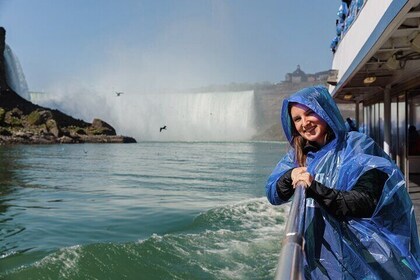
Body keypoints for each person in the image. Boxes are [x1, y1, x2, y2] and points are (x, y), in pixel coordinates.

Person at [266, 85, 420, 279]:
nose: (304, 123)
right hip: (319, 259)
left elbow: (364, 201)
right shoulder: (298, 156)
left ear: (324, 110)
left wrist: (314, 188)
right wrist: (289, 177)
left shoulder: (357, 145)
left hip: (362, 257)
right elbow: (273, 193)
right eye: (297, 119)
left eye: (310, 113)